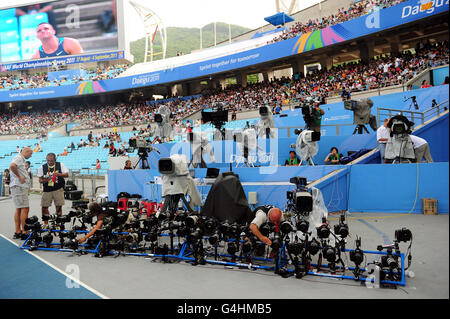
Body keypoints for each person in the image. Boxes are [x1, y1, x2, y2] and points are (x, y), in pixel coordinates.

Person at [37, 153, 69, 227]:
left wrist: (59, 174)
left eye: (51, 160)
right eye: (48, 160)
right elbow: (40, 180)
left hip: (58, 188)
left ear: (55, 159)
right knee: (44, 207)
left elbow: (67, 174)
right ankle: (46, 223)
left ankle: (58, 223)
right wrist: (47, 179)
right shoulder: (42, 167)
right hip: (47, 189)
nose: (50, 162)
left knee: (58, 206)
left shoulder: (60, 164)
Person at [9, 147, 33, 239]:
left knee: (19, 208)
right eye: (30, 154)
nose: (30, 156)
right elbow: (12, 166)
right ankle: (24, 231)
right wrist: (19, 177)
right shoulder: (19, 158)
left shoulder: (19, 158)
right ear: (26, 152)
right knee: (25, 208)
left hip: (18, 187)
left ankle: (18, 231)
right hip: (19, 186)